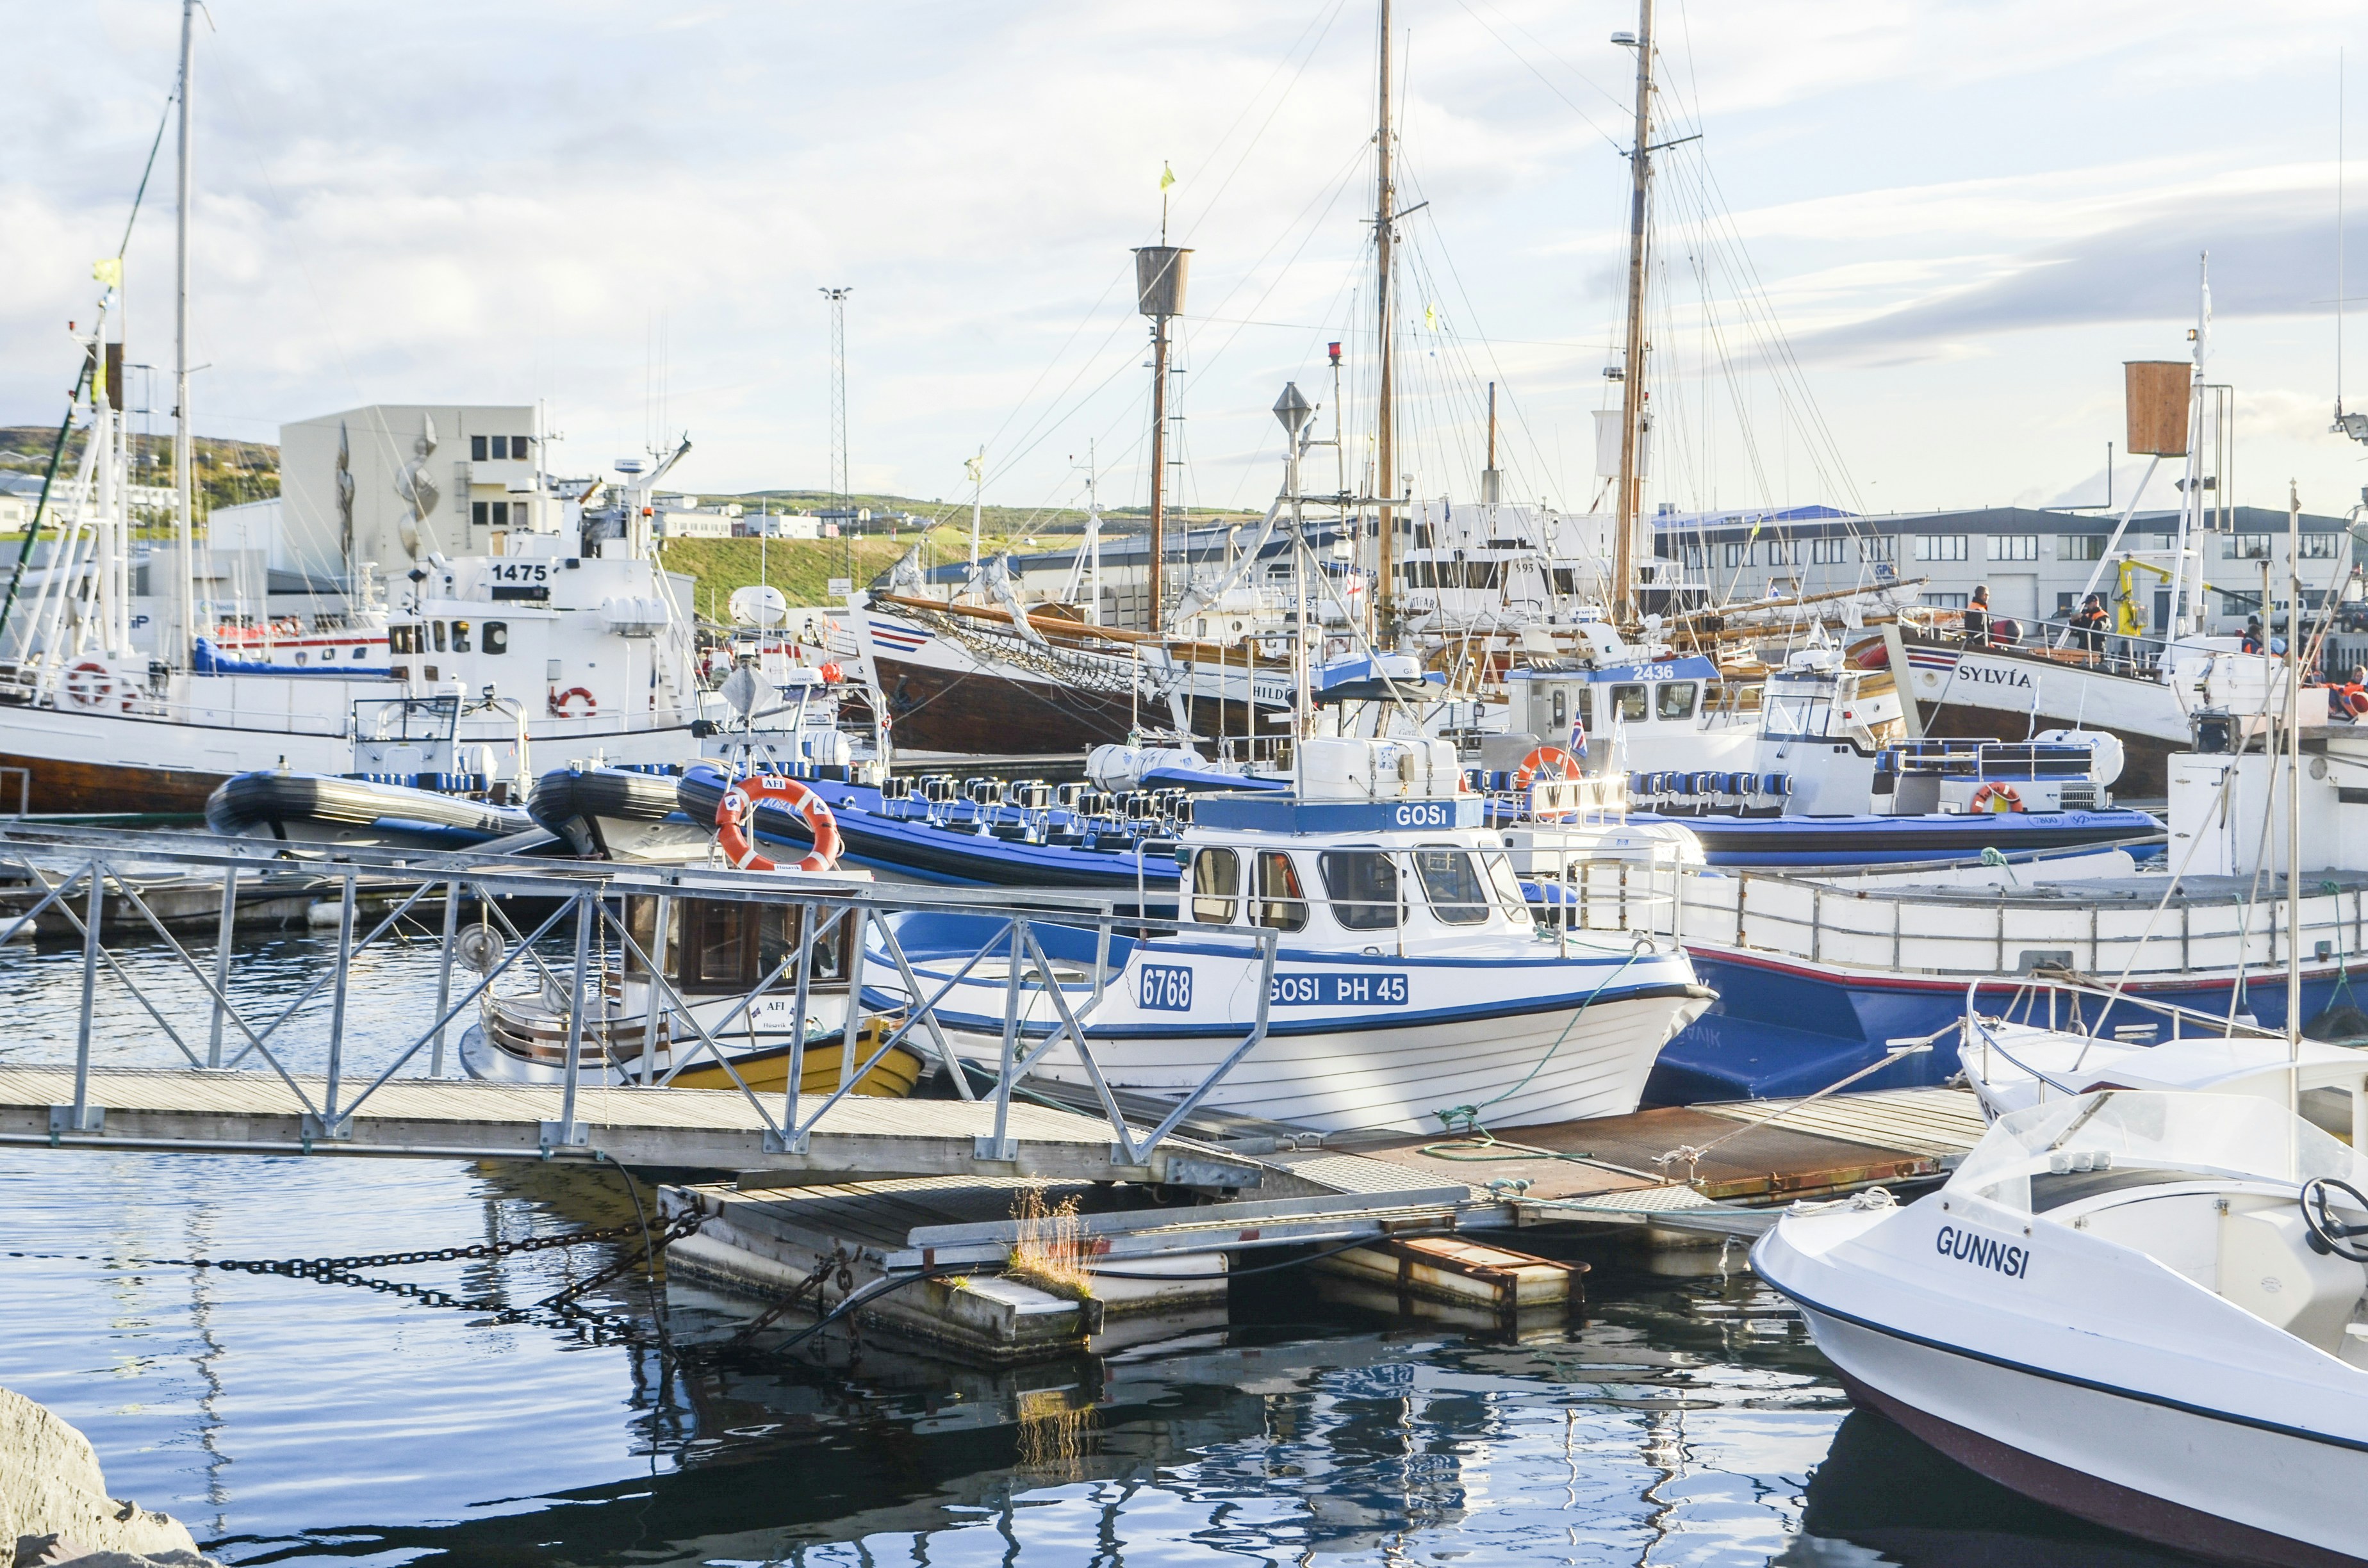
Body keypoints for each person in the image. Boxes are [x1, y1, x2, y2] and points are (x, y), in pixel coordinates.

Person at [2071, 592, 2109, 660]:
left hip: (2096, 649)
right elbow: (2076, 632)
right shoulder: (2087, 616)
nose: (2087, 606)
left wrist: (2082, 617)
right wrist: (2073, 621)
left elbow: (2097, 627)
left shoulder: (2104, 616)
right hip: (2083, 648)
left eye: (2089, 604)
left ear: (2095, 603)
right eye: (2087, 604)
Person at [1962, 584, 1991, 648]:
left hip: (1973, 639)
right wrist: (1986, 643)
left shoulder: (1972, 606)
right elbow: (1978, 629)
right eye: (1988, 595)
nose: (1988, 597)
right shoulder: (1979, 610)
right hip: (1979, 644)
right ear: (1984, 596)